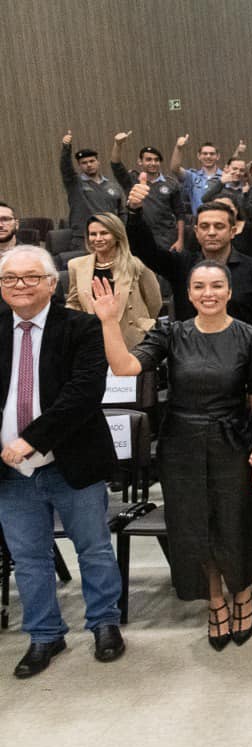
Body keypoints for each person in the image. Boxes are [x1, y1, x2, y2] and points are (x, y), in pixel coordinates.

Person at [95, 262, 252, 649]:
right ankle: (214, 601)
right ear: (188, 295)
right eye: (199, 287)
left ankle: (243, 594)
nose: (208, 293)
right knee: (195, 530)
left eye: (217, 286)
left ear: (228, 291)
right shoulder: (170, 333)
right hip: (181, 444)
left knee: (235, 524)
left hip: (232, 440)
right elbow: (124, 367)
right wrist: (109, 321)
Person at [0, 246, 123, 678]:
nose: (20, 285)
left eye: (31, 277)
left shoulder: (82, 327)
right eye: (10, 279)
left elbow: (83, 394)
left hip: (71, 458)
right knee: (29, 557)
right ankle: (44, 634)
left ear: (53, 284)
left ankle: (105, 623)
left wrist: (30, 441)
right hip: (9, 471)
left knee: (93, 548)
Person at [128, 186, 252, 326]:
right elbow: (145, 250)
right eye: (205, 227)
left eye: (219, 226)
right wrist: (135, 212)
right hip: (189, 349)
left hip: (240, 350)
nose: (211, 232)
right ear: (196, 232)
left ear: (233, 232)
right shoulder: (180, 265)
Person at [64, 213, 161, 351]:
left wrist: (140, 323)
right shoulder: (76, 265)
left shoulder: (136, 264)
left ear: (117, 235)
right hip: (94, 337)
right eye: (93, 234)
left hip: (133, 338)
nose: (98, 239)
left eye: (104, 233)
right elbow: (74, 302)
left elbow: (154, 302)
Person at [58, 132, 125, 249]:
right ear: (79, 166)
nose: (89, 165)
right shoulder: (75, 183)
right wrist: (66, 147)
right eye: (84, 163)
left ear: (98, 162)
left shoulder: (112, 186)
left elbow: (122, 212)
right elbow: (66, 167)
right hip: (84, 239)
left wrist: (121, 232)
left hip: (110, 237)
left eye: (92, 161)